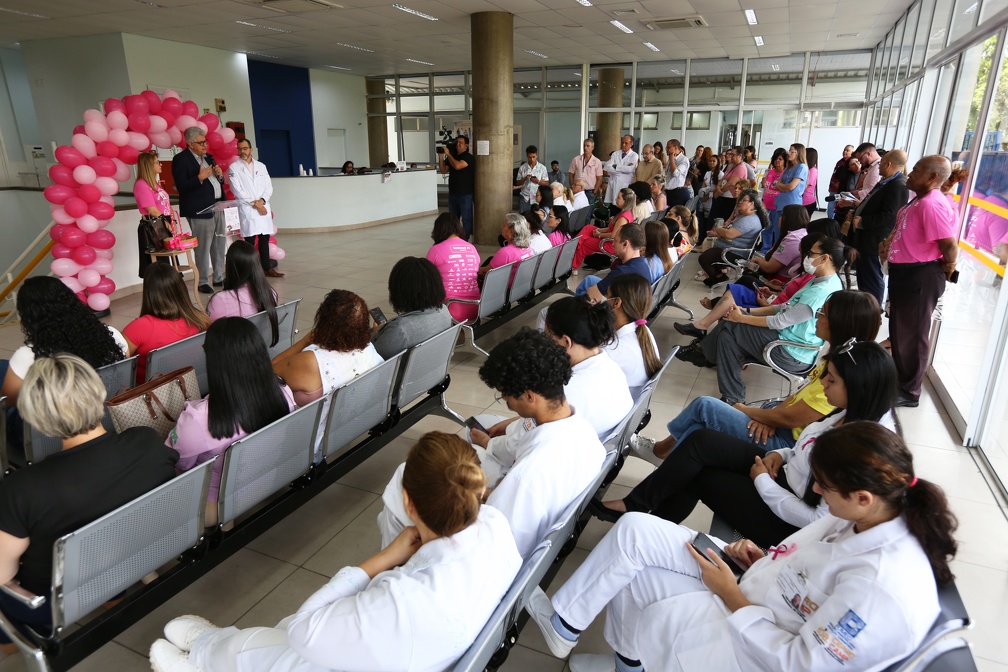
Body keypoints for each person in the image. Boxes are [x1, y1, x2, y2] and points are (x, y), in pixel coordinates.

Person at [528, 421, 957, 672]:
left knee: (637, 578)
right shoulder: (862, 516)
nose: (819, 493)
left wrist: (732, 594)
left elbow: (798, 664)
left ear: (863, 496)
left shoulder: (882, 587)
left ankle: (626, 661)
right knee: (635, 534)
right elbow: (805, 564)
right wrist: (761, 558)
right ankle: (571, 629)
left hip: (755, 646)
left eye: (824, 487)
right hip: (756, 589)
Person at [151, 432, 522, 672]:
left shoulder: (403, 600)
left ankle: (205, 655)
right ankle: (216, 645)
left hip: (402, 651)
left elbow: (301, 629)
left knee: (281, 650)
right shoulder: (495, 526)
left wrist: (381, 560)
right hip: (433, 650)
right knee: (283, 641)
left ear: (408, 502)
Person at [601, 340, 898, 545]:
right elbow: (802, 447)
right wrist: (780, 456)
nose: (823, 385)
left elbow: (817, 519)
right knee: (700, 441)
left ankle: (644, 526)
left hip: (785, 517)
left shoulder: (862, 447)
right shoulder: (847, 412)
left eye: (831, 380)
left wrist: (762, 483)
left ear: (857, 388)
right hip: (780, 475)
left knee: (697, 472)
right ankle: (634, 505)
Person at [0, 354, 177, 647]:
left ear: (38, 421)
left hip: (51, 603)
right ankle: (113, 596)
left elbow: (3, 574)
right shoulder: (146, 441)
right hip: (133, 559)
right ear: (98, 393)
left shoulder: (23, 488)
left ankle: (9, 642)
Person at [381, 330, 605, 560]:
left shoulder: (527, 475)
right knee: (469, 458)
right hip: (535, 527)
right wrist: (486, 492)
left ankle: (397, 565)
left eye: (505, 397)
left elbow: (492, 546)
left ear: (529, 396)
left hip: (490, 556)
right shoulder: (586, 434)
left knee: (403, 480)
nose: (507, 404)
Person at [639, 289, 881, 466]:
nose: (817, 316)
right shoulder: (833, 359)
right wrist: (769, 417)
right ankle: (667, 456)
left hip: (785, 446)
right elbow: (794, 401)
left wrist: (746, 409)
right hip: (780, 426)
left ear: (841, 323)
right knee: (706, 420)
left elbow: (790, 418)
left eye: (823, 314)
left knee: (705, 406)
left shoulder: (841, 376)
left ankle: (661, 452)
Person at [681, 236, 851, 405]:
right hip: (786, 339)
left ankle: (706, 354)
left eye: (811, 253)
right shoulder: (820, 280)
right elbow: (784, 307)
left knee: (731, 324)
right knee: (727, 336)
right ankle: (732, 396)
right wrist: (746, 311)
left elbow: (780, 321)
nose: (807, 257)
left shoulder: (820, 291)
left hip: (791, 352)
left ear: (825, 258)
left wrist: (742, 318)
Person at [167, 318, 295, 526]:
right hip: (270, 479)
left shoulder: (198, 420)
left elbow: (178, 464)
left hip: (218, 505)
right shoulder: (283, 392)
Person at [881, 155, 958, 408]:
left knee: (913, 335)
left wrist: (948, 268)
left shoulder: (931, 204)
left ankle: (910, 390)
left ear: (933, 177)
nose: (910, 173)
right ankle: (901, 379)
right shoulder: (920, 200)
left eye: (916, 170)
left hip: (921, 275)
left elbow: (948, 244)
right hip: (906, 273)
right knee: (901, 332)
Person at [271, 289, 383, 459]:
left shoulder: (311, 361)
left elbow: (270, 369)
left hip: (310, 443)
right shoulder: (368, 348)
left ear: (324, 322)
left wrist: (305, 341)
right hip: (346, 427)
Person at [2, 276, 126, 410]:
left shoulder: (29, 356)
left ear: (29, 317)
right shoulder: (112, 335)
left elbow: (8, 401)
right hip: (115, 410)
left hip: (65, 424)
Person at [679, 232, 824, 338]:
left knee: (737, 301)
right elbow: (790, 295)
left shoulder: (813, 279)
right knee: (739, 288)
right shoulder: (809, 273)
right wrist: (776, 289)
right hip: (775, 300)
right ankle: (704, 324)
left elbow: (785, 312)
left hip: (774, 309)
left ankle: (709, 321)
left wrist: (764, 305)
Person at [544, 298, 633, 439]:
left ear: (566, 341)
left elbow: (520, 441)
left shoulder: (566, 391)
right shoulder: (611, 367)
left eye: (548, 336)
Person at [124, 263, 211, 383]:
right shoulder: (202, 319)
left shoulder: (140, 328)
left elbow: (118, 368)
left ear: (149, 293)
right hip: (194, 388)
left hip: (151, 396)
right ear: (181, 289)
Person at [852, 149, 909, 305]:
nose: (879, 167)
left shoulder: (898, 185)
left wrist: (863, 221)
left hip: (874, 239)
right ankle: (865, 308)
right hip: (866, 238)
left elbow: (890, 216)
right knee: (864, 275)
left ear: (888, 164)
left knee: (872, 277)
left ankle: (873, 311)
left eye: (882, 163)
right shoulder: (888, 181)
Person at [172, 126, 226, 295]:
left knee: (219, 244)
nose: (205, 145)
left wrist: (220, 176)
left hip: (217, 206)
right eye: (201, 142)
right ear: (190, 144)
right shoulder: (181, 160)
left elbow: (218, 183)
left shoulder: (208, 157)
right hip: (199, 210)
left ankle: (219, 277)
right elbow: (181, 186)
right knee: (203, 247)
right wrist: (199, 178)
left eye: (205, 141)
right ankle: (203, 280)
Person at [372, 256, 452, 359]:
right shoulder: (444, 311)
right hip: (432, 373)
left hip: (402, 375)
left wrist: (376, 334)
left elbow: (374, 358)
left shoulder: (400, 329)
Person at [228, 138, 283, 278]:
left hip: (262, 206)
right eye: (240, 149)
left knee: (264, 239)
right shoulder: (234, 168)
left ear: (251, 149)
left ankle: (266, 268)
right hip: (249, 209)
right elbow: (237, 191)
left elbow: (268, 187)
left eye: (245, 148)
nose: (242, 151)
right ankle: (250, 271)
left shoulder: (261, 166)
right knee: (250, 242)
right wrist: (257, 205)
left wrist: (262, 201)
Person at [206, 241, 279, 345]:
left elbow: (207, 330)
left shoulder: (220, 300)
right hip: (262, 353)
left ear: (231, 267)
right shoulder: (270, 293)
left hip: (232, 356)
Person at [603, 274, 660, 398]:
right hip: (631, 406)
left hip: (617, 407)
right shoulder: (644, 330)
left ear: (617, 302)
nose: (604, 300)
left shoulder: (613, 350)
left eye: (607, 296)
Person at [697, 188, 766, 286]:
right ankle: (719, 276)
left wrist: (718, 228)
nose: (741, 202)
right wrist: (721, 231)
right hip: (729, 248)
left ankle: (717, 278)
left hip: (735, 252)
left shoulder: (749, 220)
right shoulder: (745, 216)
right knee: (709, 253)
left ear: (752, 204)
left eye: (744, 200)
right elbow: (728, 230)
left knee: (704, 258)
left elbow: (729, 234)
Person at [576, 223, 652, 304]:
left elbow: (592, 295)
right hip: (629, 304)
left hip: (616, 311)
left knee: (583, 295)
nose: (612, 244)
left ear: (625, 244)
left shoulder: (622, 273)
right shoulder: (644, 264)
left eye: (615, 241)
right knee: (589, 280)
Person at [426, 213, 481, 322]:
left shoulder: (435, 250)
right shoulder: (472, 248)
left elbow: (426, 278)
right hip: (477, 306)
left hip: (450, 308)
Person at [572, 187, 636, 270]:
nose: (616, 199)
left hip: (612, 244)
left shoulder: (623, 218)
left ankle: (574, 265)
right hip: (612, 240)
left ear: (625, 201)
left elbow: (613, 235)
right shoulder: (625, 213)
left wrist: (600, 234)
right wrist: (600, 230)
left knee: (585, 244)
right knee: (588, 228)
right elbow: (612, 228)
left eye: (619, 197)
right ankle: (576, 245)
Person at [134, 150, 173, 278]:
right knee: (158, 262)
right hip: (154, 225)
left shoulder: (154, 184)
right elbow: (152, 209)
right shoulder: (142, 184)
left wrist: (172, 221)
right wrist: (165, 222)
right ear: (149, 166)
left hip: (163, 222)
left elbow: (165, 204)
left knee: (167, 259)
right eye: (157, 163)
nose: (160, 165)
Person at [770, 144, 810, 253]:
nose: (789, 153)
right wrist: (783, 187)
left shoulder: (801, 167)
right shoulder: (788, 167)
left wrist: (782, 186)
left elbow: (791, 186)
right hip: (780, 204)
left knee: (787, 234)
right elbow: (777, 185)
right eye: (789, 150)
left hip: (791, 205)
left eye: (792, 151)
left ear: (799, 153)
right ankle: (775, 255)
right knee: (777, 232)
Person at [478, 213, 534, 285]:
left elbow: (486, 271)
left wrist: (477, 270)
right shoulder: (528, 247)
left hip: (503, 289)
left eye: (504, 225)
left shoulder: (506, 252)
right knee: (490, 259)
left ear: (511, 232)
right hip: (520, 286)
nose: (501, 227)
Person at [439, 134, 475, 240]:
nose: (458, 145)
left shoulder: (469, 157)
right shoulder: (453, 156)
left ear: (466, 146)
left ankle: (465, 240)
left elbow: (458, 166)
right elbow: (443, 170)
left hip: (465, 194)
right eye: (457, 142)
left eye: (461, 143)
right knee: (453, 220)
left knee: (466, 220)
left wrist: (449, 155)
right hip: (453, 193)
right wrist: (441, 157)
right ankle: (453, 239)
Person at [711, 147, 748, 224]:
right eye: (730, 154)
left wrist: (719, 192)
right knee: (717, 219)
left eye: (733, 155)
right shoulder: (731, 165)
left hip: (731, 198)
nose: (730, 156)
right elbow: (723, 177)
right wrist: (718, 186)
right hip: (723, 196)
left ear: (740, 156)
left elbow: (731, 183)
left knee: (725, 219)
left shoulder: (741, 167)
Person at [604, 135, 639, 206]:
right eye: (622, 142)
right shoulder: (615, 154)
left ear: (631, 143)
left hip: (625, 185)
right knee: (613, 207)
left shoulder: (634, 155)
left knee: (623, 206)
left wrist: (616, 166)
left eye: (626, 143)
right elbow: (608, 167)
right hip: (614, 184)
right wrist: (622, 170)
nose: (623, 145)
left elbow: (630, 169)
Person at [569, 138, 604, 204]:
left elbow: (599, 178)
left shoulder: (597, 161)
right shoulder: (576, 159)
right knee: (577, 209)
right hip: (578, 190)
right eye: (584, 146)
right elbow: (571, 174)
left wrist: (595, 192)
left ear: (592, 147)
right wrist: (572, 186)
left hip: (590, 191)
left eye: (588, 146)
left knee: (588, 212)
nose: (585, 148)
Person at [515, 145, 548, 213]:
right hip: (524, 197)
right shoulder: (522, 168)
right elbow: (517, 182)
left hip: (537, 198)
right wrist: (524, 179)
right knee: (523, 218)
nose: (532, 159)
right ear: (527, 156)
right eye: (530, 157)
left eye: (533, 157)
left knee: (536, 218)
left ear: (537, 155)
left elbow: (546, 183)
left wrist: (538, 181)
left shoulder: (542, 168)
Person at [826, 145, 855, 219]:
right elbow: (834, 175)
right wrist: (830, 186)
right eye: (844, 150)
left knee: (838, 208)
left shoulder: (852, 163)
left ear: (852, 152)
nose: (845, 152)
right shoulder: (839, 162)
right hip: (834, 189)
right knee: (830, 207)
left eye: (847, 150)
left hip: (842, 191)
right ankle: (830, 223)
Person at [665, 139, 691, 207]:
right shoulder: (671, 157)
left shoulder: (683, 160)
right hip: (668, 191)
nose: (666, 149)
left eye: (668, 147)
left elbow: (676, 174)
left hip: (677, 192)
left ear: (676, 147)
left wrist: (672, 160)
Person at [802, 147, 819, 217]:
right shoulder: (805, 168)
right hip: (801, 201)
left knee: (802, 224)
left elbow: (805, 186)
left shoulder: (813, 170)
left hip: (807, 202)